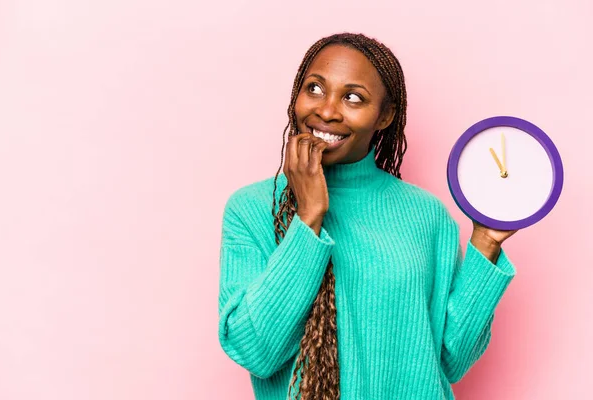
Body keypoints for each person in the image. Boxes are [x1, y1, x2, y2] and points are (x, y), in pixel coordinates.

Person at [217, 32, 518, 400]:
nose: (326, 110)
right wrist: (308, 218)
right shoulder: (250, 209)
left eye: (353, 97)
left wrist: (486, 242)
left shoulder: (426, 216)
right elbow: (255, 353)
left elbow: (451, 360)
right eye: (314, 89)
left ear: (385, 116)